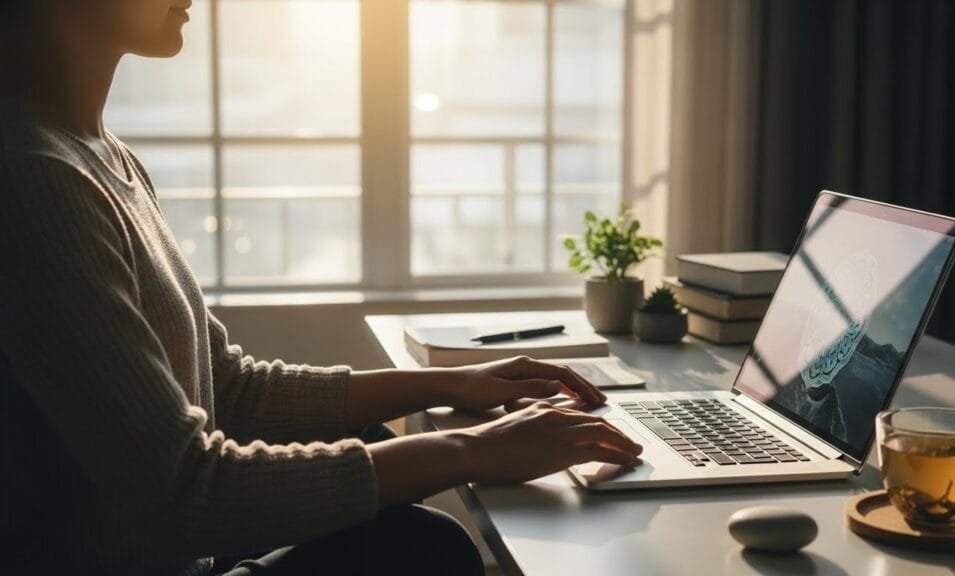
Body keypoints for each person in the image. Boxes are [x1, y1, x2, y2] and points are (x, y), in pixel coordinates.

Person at [0, 1, 644, 574]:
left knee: (379, 445)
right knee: (426, 548)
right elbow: (186, 494)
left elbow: (228, 389)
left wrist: (449, 384)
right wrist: (470, 446)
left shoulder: (102, 155)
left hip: (186, 551)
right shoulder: (36, 180)